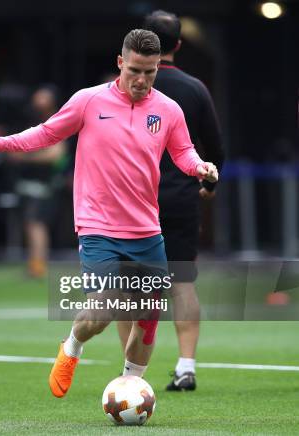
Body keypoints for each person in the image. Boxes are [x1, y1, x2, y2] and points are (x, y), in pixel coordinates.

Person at [0, 29, 218, 398]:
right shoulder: (89, 101)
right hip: (98, 226)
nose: (141, 80)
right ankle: (72, 345)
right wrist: (3, 143)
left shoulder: (168, 109)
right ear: (120, 63)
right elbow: (47, 133)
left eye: (150, 73)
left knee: (149, 318)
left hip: (146, 230)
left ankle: (129, 386)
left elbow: (183, 152)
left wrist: (199, 166)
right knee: (105, 309)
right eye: (135, 70)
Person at [116, 10, 225, 392]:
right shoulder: (195, 89)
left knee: (128, 289)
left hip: (131, 204)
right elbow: (214, 146)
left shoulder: (119, 87)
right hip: (179, 201)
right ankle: (186, 365)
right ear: (179, 45)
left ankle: (129, 374)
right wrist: (209, 186)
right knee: (181, 283)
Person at [8, 86, 67, 278]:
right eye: (36, 98)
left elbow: (55, 155)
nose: (38, 103)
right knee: (29, 224)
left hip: (46, 186)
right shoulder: (32, 122)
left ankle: (38, 266)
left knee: (37, 224)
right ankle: (34, 263)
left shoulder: (59, 122)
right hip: (28, 184)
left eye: (42, 98)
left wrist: (24, 157)